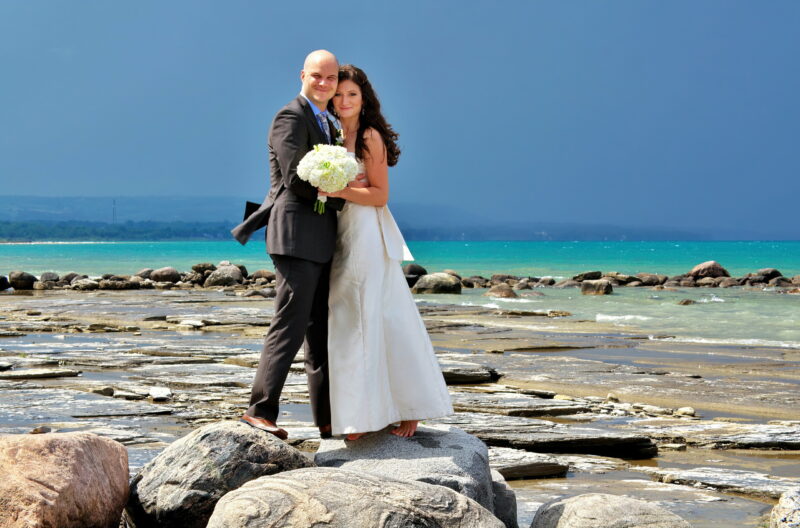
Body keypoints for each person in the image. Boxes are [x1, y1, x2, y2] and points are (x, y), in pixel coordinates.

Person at [320, 65, 453, 440]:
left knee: (373, 319)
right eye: (338, 94)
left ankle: (408, 409)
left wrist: (339, 190)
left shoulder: (369, 136)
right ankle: (361, 413)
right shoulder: (328, 133)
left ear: (364, 100)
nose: (343, 101)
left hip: (365, 235)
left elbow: (379, 195)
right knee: (349, 323)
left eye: (352, 95)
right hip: (338, 234)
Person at [233, 50, 345, 440]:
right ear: (302, 75)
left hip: (321, 239)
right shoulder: (291, 116)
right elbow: (297, 178)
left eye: (330, 78)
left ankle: (328, 419)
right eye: (317, 76)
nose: (324, 84)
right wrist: (345, 191)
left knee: (320, 331)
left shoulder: (329, 120)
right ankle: (259, 411)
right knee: (289, 325)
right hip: (295, 234)